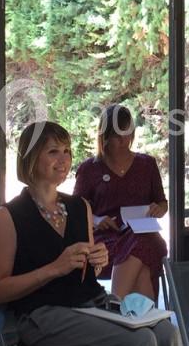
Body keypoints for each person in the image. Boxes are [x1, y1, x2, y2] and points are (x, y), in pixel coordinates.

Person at [0, 120, 189, 346]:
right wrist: (54, 268)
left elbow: (85, 274)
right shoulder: (9, 217)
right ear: (30, 157)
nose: (63, 159)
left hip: (89, 304)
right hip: (41, 316)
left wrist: (96, 258)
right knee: (137, 345)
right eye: (53, 151)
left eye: (66, 151)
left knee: (166, 334)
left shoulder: (79, 207)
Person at [72, 105, 168, 300]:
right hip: (107, 241)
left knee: (143, 243)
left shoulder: (146, 164)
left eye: (127, 134)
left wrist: (158, 209)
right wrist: (98, 220)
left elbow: (162, 202)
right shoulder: (90, 169)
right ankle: (145, 321)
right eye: (117, 136)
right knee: (142, 262)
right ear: (105, 137)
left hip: (144, 233)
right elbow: (77, 210)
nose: (124, 141)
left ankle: (116, 307)